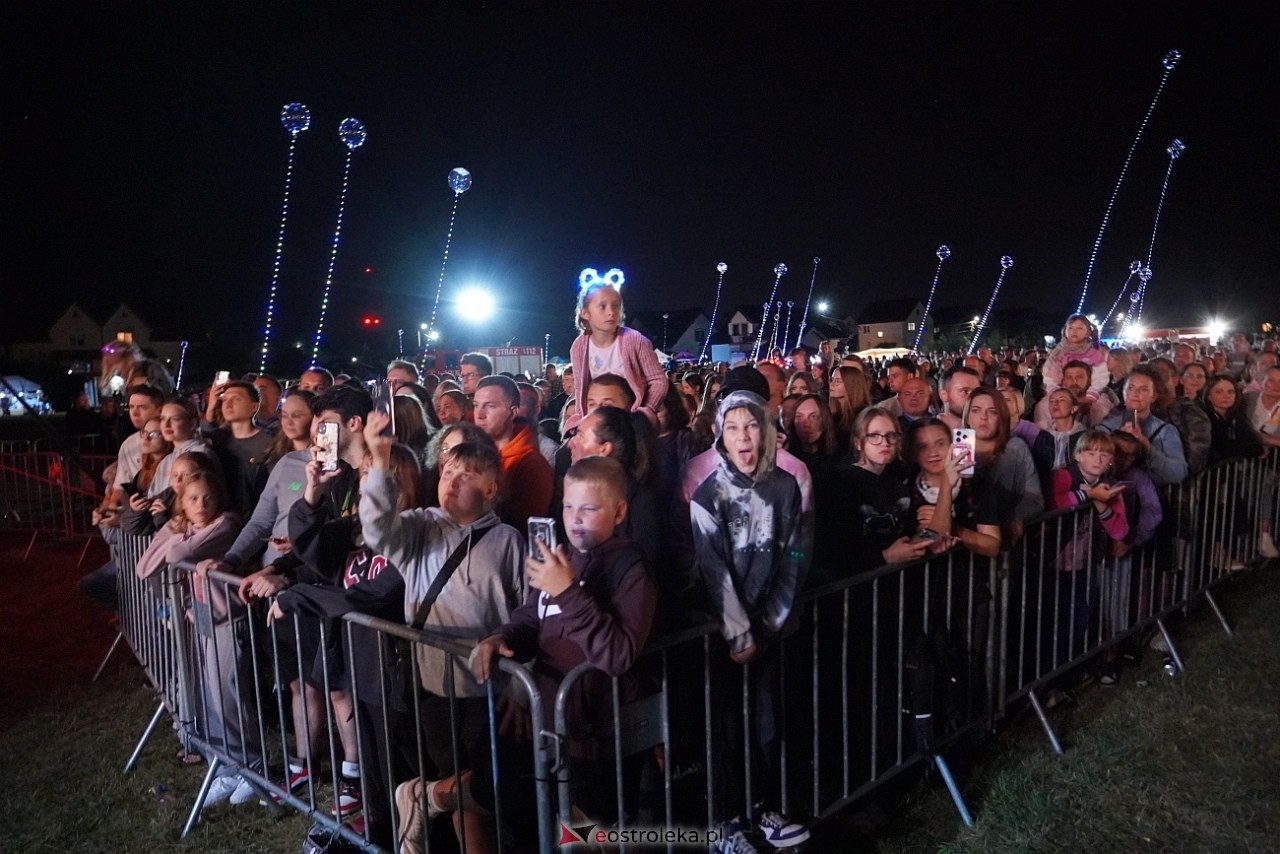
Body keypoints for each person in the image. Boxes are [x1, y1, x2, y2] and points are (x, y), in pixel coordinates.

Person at [471, 456, 658, 833]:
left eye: (589, 508)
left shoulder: (632, 571)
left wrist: (568, 591)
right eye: (568, 505)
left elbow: (618, 653)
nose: (575, 518)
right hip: (550, 725)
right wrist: (502, 637)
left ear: (619, 511)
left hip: (599, 738)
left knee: (593, 832)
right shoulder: (563, 558)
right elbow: (533, 614)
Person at [690, 388, 812, 848]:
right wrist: (740, 635)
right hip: (724, 638)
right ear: (720, 435)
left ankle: (762, 809)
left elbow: (796, 553)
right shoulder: (708, 496)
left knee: (766, 723)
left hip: (771, 632)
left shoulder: (786, 487)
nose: (743, 436)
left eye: (752, 425)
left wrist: (770, 625)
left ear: (766, 431)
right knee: (724, 728)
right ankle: (727, 820)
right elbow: (712, 569)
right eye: (733, 427)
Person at [135, 469, 250, 805]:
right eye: (192, 499)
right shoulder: (186, 527)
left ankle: (251, 765)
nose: (202, 505)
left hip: (227, 615)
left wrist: (173, 531)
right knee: (208, 694)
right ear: (181, 504)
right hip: (199, 612)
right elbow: (144, 567)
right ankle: (228, 765)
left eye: (208, 497)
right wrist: (176, 528)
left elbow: (174, 557)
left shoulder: (225, 523)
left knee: (227, 694)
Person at [1048, 432, 1128, 677]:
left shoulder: (1111, 486)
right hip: (1052, 559)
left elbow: (1120, 528)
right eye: (1091, 453)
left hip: (1084, 562)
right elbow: (1057, 502)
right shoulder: (1064, 475)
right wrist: (1088, 495)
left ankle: (1073, 668)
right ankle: (1055, 674)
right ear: (1077, 455)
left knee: (1080, 615)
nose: (1097, 459)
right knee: (1054, 618)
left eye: (1104, 454)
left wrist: (1101, 503)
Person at [566, 273, 667, 429]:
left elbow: (658, 380)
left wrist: (645, 410)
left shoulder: (634, 340)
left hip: (631, 419)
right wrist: (582, 419)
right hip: (600, 421)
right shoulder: (579, 347)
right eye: (602, 306)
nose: (611, 312)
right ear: (585, 313)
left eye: (616, 305)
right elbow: (581, 387)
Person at [473, 375, 553, 529]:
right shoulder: (474, 452)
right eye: (476, 405)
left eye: (490, 406)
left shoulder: (531, 464)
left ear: (513, 412)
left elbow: (524, 526)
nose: (479, 414)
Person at [1096, 366, 1189, 487]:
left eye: (1144, 389)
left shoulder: (1166, 431)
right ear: (1123, 393)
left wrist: (1147, 447)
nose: (1136, 393)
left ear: (1154, 396)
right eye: (1130, 388)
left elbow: (1178, 473)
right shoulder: (1105, 427)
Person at [1042, 315, 1108, 407]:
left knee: (1101, 407)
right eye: (1071, 328)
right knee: (1043, 407)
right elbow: (1050, 376)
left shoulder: (1094, 354)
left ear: (1088, 332)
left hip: (1089, 394)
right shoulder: (1058, 353)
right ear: (1065, 331)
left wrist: (1091, 395)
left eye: (1079, 328)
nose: (1074, 331)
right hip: (1062, 393)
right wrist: (1057, 393)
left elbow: (1101, 377)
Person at [937, 366, 980, 430]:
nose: (973, 397)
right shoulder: (925, 433)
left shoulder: (985, 432)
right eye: (965, 391)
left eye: (976, 392)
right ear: (944, 395)